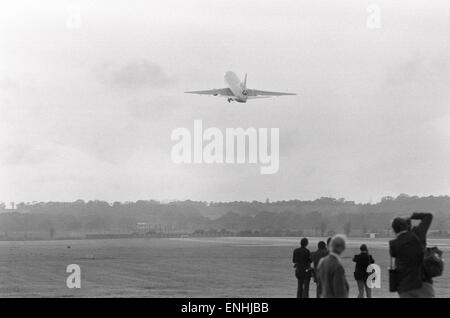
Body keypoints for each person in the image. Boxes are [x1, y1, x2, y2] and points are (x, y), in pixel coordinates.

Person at [389, 212, 434, 298]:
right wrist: (412, 215)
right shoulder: (418, 233)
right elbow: (428, 216)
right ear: (409, 225)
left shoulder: (394, 244)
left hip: (404, 286)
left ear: (394, 230)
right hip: (422, 282)